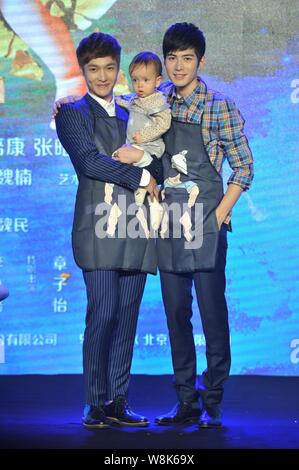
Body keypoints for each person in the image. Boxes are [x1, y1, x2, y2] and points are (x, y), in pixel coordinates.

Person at [117, 22, 254, 428]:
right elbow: (115, 100)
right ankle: (185, 401)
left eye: (187, 58)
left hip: (207, 224)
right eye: (172, 58)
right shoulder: (157, 101)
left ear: (201, 61)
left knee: (213, 313)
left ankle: (212, 393)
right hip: (170, 226)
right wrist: (68, 101)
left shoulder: (220, 106)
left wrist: (217, 215)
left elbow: (244, 167)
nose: (178, 66)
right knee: (176, 313)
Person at [55, 31, 162, 429]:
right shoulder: (71, 113)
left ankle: (118, 401)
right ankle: (94, 402)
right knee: (103, 313)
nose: (102, 76)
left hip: (137, 226)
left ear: (119, 68)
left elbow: (160, 165)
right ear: (83, 70)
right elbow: (89, 162)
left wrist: (150, 165)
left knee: (127, 316)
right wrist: (139, 172)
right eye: (93, 69)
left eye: (109, 68)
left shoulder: (134, 115)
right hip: (98, 227)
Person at [115, 51, 171, 230]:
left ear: (158, 81)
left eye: (145, 80)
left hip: (150, 148)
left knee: (146, 182)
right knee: (135, 184)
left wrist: (144, 136)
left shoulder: (157, 101)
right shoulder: (136, 99)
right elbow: (123, 101)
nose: (139, 85)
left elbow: (164, 123)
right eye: (135, 80)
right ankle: (134, 212)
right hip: (135, 146)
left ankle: (156, 205)